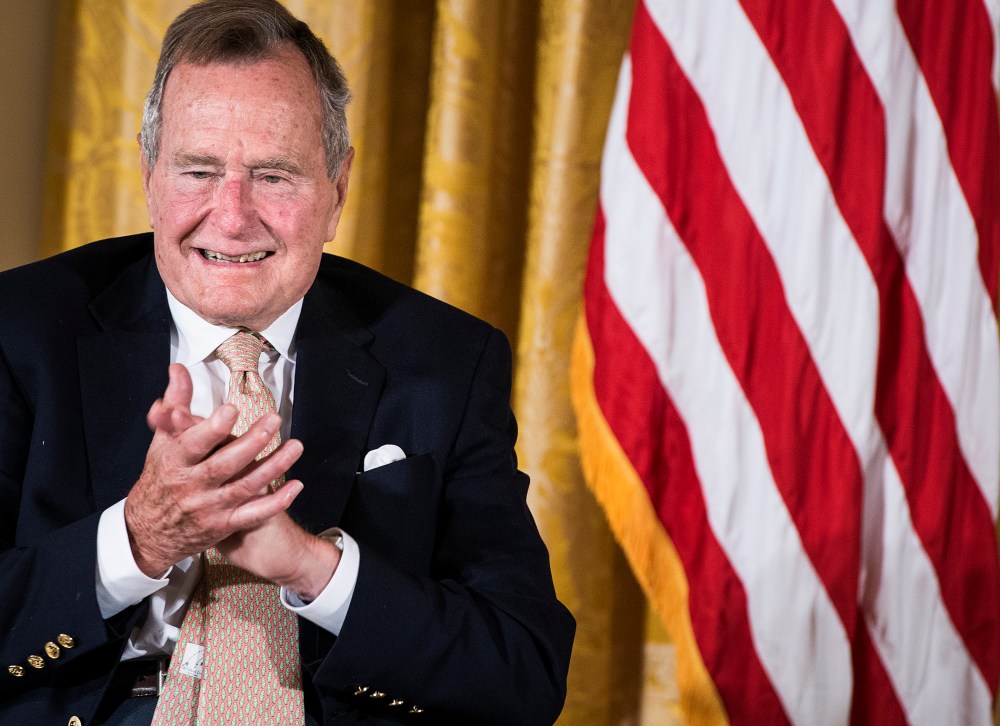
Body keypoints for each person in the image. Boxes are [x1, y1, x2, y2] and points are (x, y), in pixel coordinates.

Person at [0, 0, 575, 723]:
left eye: (274, 175)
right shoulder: (21, 333)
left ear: (338, 189)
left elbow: (524, 673)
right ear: (149, 175)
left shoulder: (446, 360)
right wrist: (138, 540)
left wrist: (316, 568)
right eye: (199, 171)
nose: (233, 216)